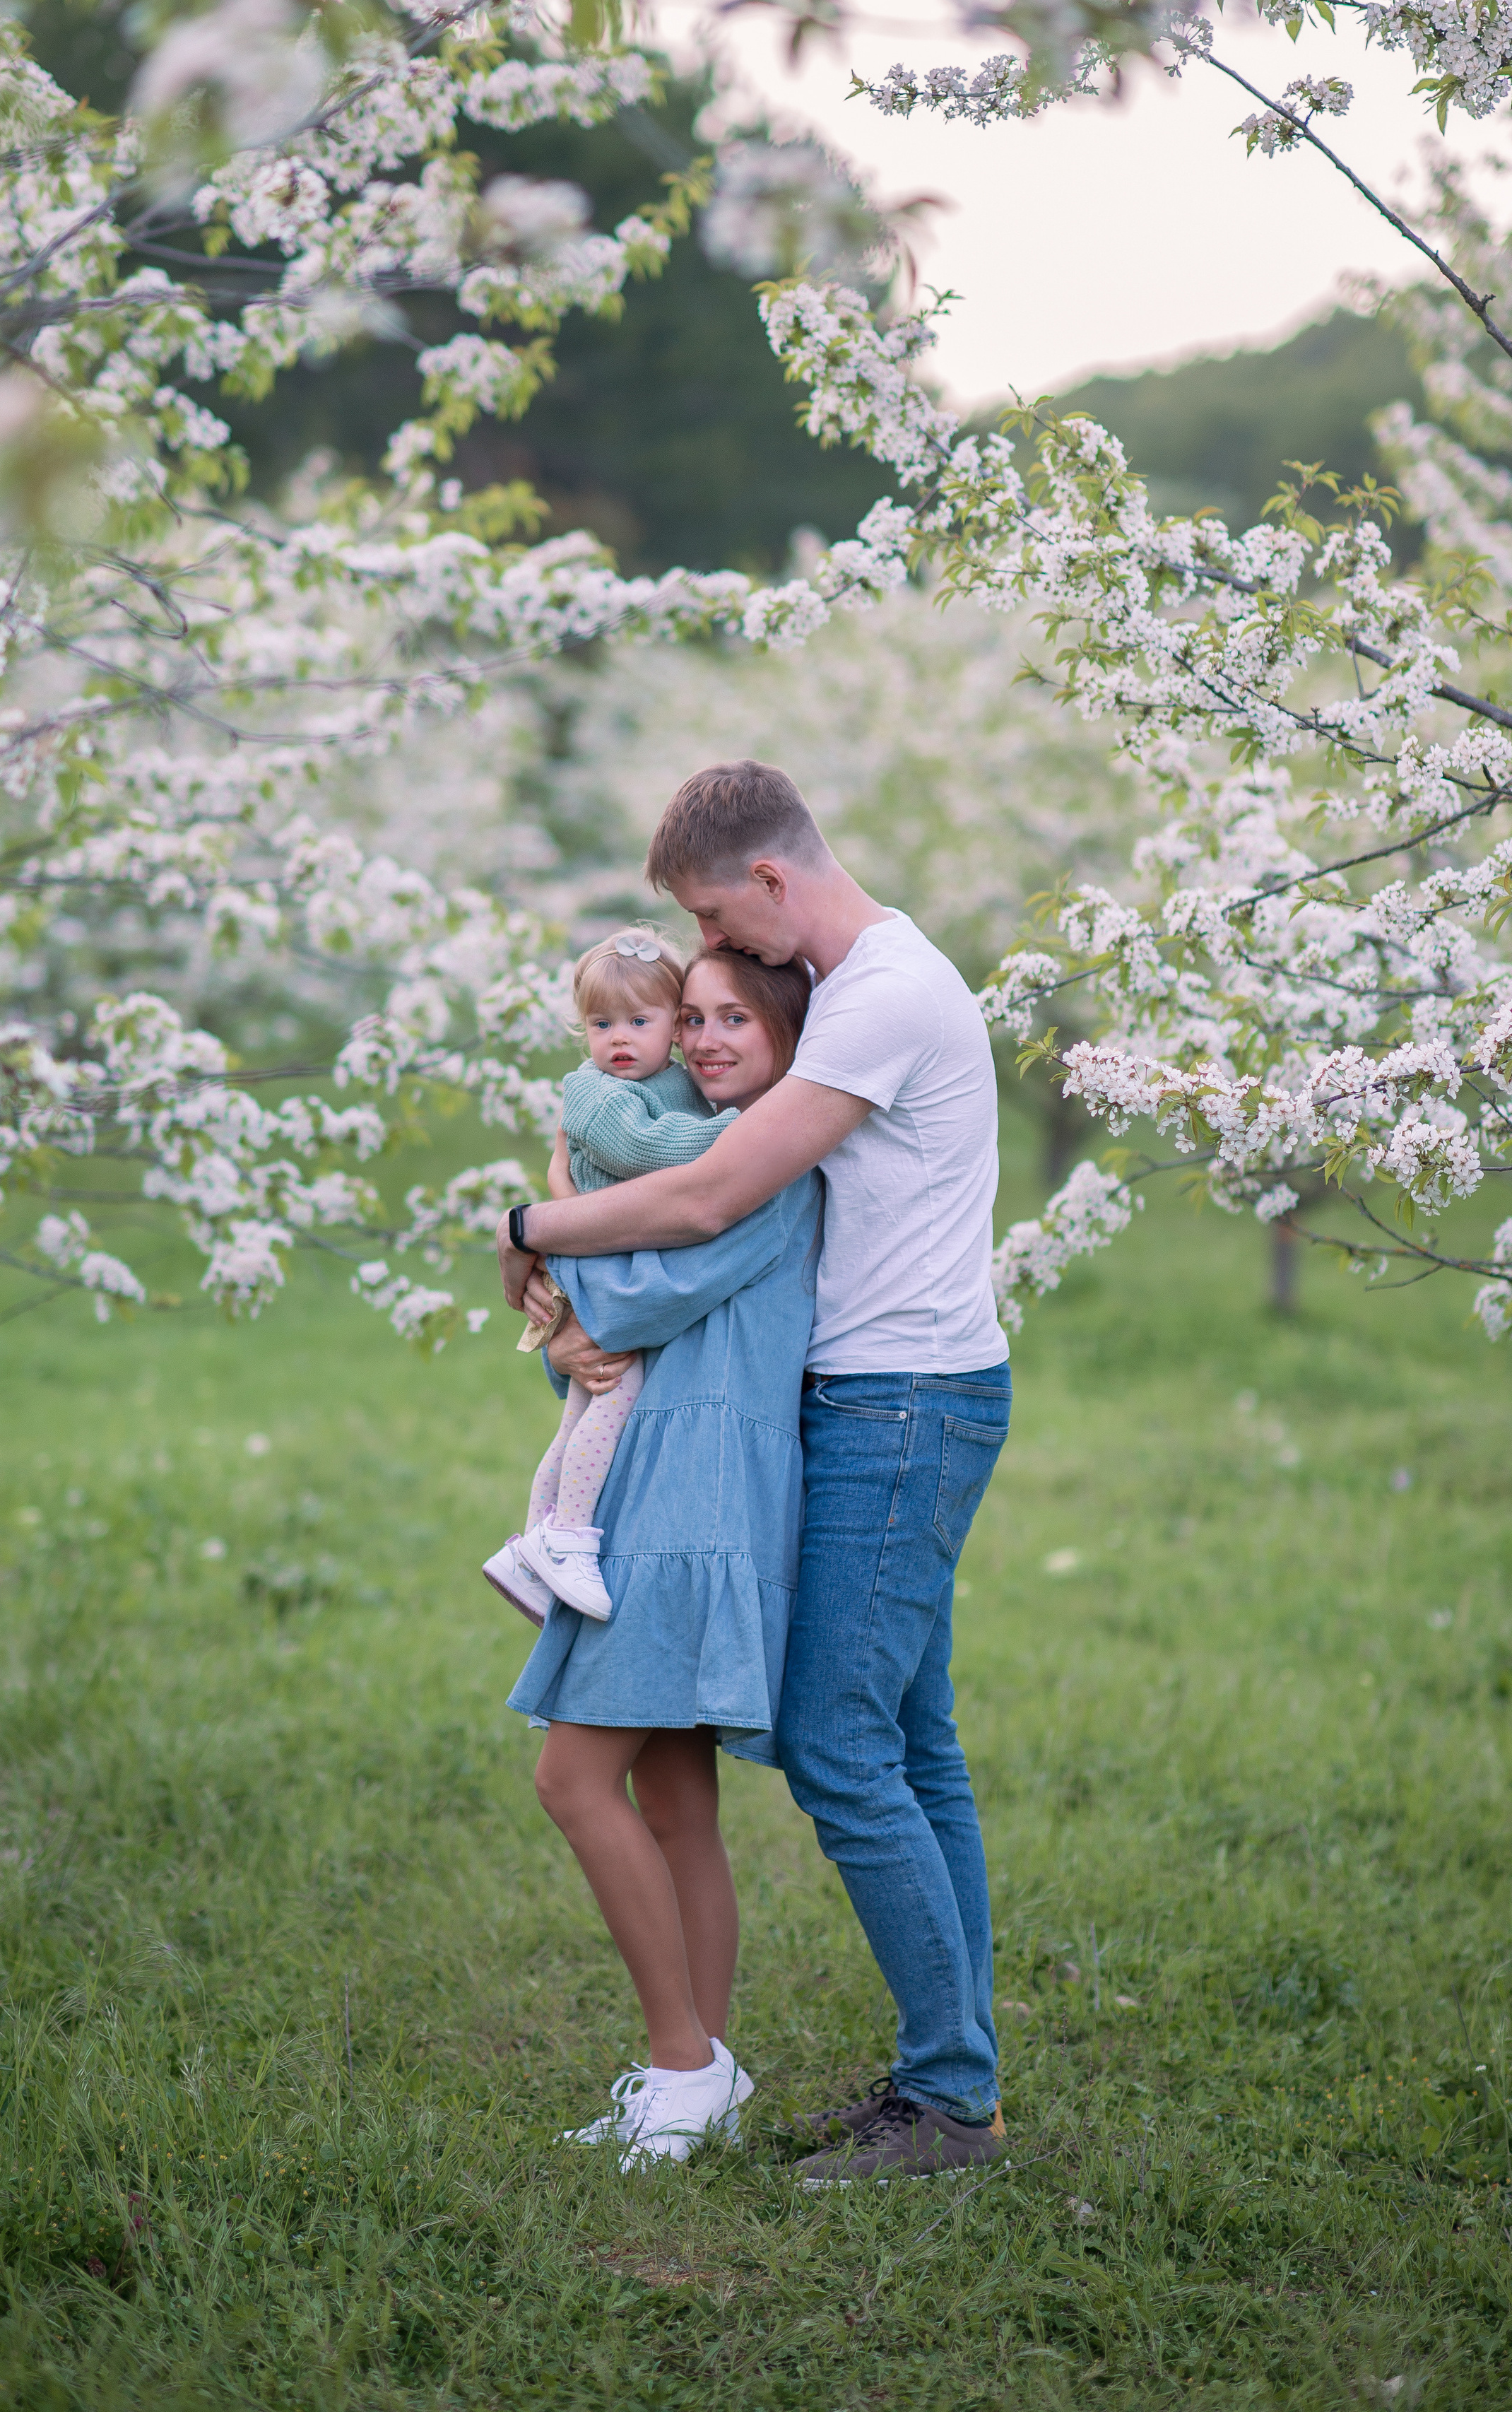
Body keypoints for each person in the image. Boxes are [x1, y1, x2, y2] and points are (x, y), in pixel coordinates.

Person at [498, 758, 1011, 2186]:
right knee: (911, 1744)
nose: (720, 958)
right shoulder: (856, 985)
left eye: (722, 916)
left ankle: (946, 2105)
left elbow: (724, 1190)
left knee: (844, 1748)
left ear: (770, 878)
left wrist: (534, 1216)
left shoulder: (877, 993)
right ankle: (944, 2078)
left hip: (897, 1399)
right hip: (882, 1390)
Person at [507, 946, 820, 2170]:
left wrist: (540, 1226)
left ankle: (686, 2060)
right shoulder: (701, 1138)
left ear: (792, 1034)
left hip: (697, 1500)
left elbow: (632, 1299)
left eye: (736, 1015)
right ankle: (702, 2081)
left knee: (575, 1782)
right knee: (678, 1797)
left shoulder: (765, 1165)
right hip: (661, 1481)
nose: (704, 1037)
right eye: (692, 1016)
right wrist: (562, 1297)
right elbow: (587, 1341)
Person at [481, 926, 734, 1625]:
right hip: (600, 1265)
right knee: (615, 1391)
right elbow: (647, 1150)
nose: (617, 1038)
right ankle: (567, 1537)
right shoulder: (594, 1092)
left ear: (675, 1028)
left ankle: (531, 1546)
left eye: (638, 1021)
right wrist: (743, 1133)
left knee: (579, 1415)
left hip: (610, 1257)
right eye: (600, 1023)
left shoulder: (667, 1081)